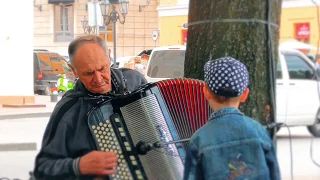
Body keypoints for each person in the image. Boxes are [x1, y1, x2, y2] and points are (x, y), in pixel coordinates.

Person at [33, 35, 148, 180]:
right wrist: (77, 166)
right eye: (89, 73)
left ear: (109, 57)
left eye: (102, 68)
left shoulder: (135, 81)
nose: (99, 79)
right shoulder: (68, 109)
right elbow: (43, 168)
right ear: (74, 70)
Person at [183, 57, 281, 180]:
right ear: (245, 95)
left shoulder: (199, 140)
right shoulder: (259, 132)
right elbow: (275, 175)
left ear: (206, 92)